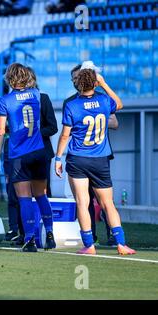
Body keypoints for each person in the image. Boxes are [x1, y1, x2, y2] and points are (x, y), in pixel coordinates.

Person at [55, 68, 136, 255]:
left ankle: (89, 245)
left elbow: (65, 135)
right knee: (108, 203)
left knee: (82, 202)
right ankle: (121, 244)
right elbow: (120, 104)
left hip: (78, 159)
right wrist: (105, 84)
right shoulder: (104, 100)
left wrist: (58, 158)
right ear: (95, 83)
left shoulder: (72, 105)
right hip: (100, 159)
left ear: (78, 84)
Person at [0, 63, 56, 252]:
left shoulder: (5, 100)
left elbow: (0, 130)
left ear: (9, 78)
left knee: (24, 198)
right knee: (41, 195)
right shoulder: (37, 95)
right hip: (39, 151)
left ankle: (29, 239)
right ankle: (50, 234)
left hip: (19, 154)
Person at [69, 64, 116, 246]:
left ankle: (109, 236)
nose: (75, 80)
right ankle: (93, 239)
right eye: (73, 78)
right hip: (91, 157)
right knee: (87, 200)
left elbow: (115, 122)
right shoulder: (76, 101)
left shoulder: (91, 101)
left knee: (104, 201)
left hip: (93, 155)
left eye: (77, 77)